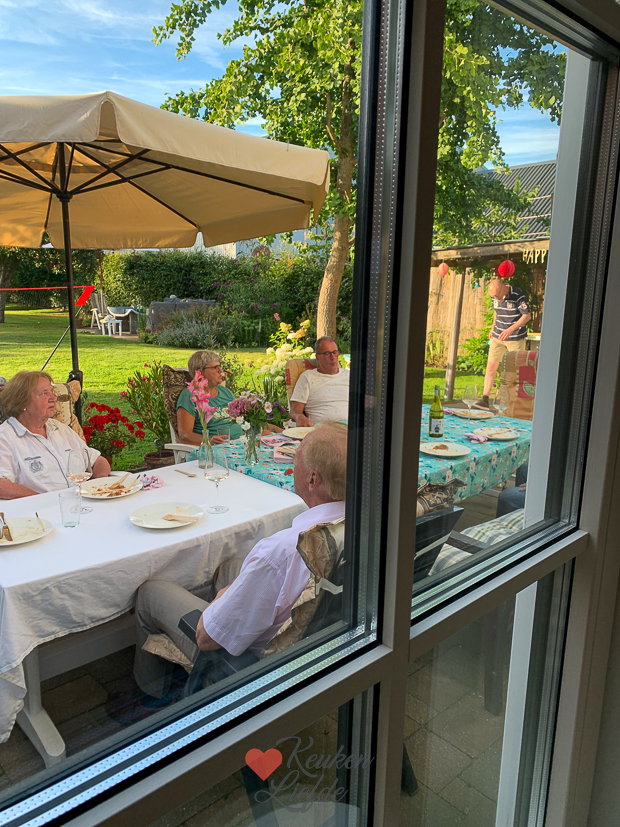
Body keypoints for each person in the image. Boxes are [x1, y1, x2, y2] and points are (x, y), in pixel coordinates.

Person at [133, 423, 347, 700]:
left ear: (312, 480)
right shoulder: (367, 524)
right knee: (229, 567)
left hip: (255, 660)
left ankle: (149, 698)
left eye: (296, 458)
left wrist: (225, 597)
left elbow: (207, 637)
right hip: (323, 637)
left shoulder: (282, 550)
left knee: (151, 591)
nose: (293, 464)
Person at [0, 371, 110, 499]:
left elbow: (97, 460)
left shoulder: (60, 429)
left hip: (84, 503)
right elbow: (2, 485)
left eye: (52, 392)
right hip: (39, 513)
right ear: (22, 401)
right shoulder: (5, 438)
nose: (53, 398)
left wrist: (100, 486)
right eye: (44, 393)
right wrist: (45, 501)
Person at [478, 278, 532, 409]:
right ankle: (485, 398)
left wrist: (510, 330)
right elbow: (496, 313)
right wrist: (492, 328)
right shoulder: (495, 297)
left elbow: (527, 316)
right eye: (493, 297)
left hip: (515, 338)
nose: (495, 298)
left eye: (496, 295)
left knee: (515, 371)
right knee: (491, 366)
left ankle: (514, 402)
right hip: (498, 337)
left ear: (503, 287)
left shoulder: (517, 295)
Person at [176, 350, 243, 446]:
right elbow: (185, 436)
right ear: (199, 371)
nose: (221, 370)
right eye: (215, 367)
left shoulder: (226, 392)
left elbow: (242, 419)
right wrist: (208, 441)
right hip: (217, 449)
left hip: (242, 443)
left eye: (220, 366)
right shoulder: (190, 396)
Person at [289, 337, 350, 426]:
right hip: (322, 430)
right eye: (327, 353)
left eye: (335, 352)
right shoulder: (308, 377)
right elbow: (295, 411)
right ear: (318, 358)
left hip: (352, 429)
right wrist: (299, 417)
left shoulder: (350, 375)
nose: (332, 357)